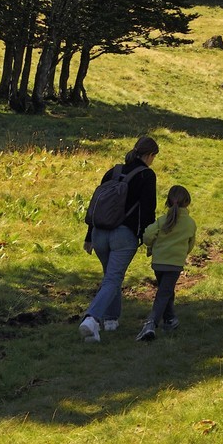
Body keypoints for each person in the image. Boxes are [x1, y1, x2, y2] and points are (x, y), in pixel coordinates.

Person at [79, 134, 159, 342]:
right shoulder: (146, 176)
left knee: (110, 278)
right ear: (150, 155)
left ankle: (110, 321)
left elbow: (96, 204)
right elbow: (148, 210)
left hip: (99, 233)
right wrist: (148, 238)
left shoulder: (112, 172)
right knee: (113, 278)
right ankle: (92, 319)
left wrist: (89, 236)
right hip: (124, 235)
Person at [137, 185, 196, 341]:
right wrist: (182, 253)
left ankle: (170, 319)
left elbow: (148, 236)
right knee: (164, 293)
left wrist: (151, 246)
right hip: (175, 264)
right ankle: (150, 324)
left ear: (168, 202)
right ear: (187, 202)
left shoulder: (161, 220)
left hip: (158, 263)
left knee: (166, 290)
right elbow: (190, 244)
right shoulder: (190, 223)